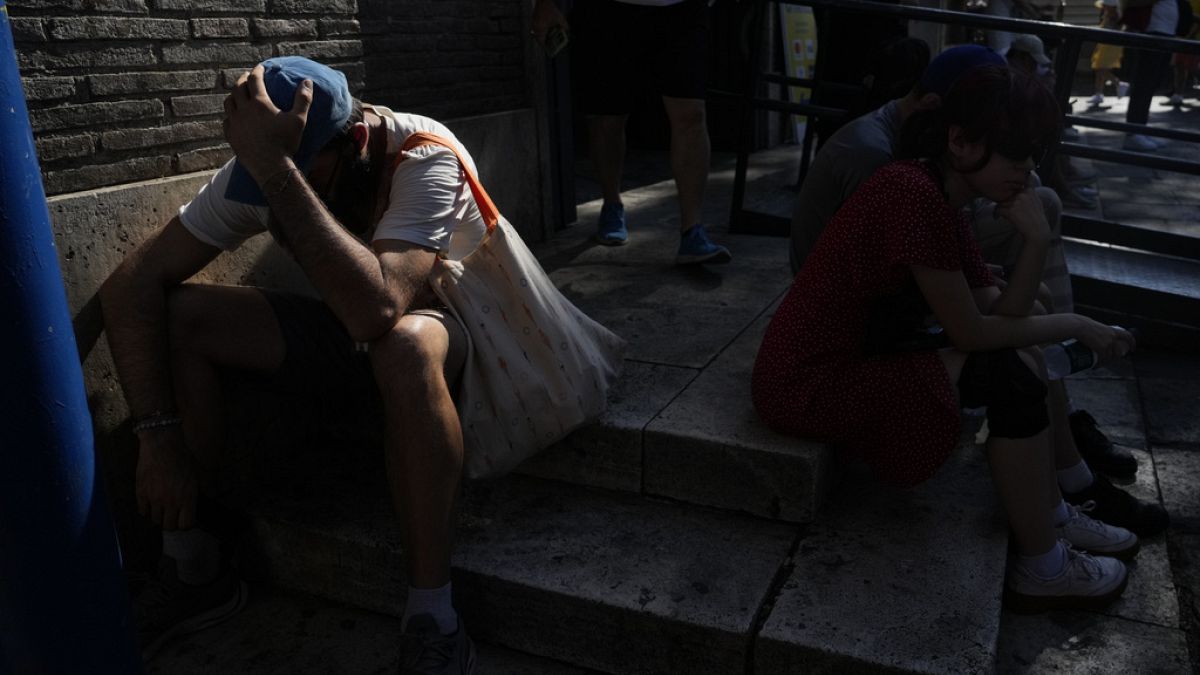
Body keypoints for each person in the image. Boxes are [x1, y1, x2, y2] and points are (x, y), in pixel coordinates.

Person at [100, 57, 498, 673]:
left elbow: (379, 310)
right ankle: (195, 565)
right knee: (179, 314)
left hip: (450, 344)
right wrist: (157, 435)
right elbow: (132, 287)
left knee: (405, 344)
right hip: (349, 343)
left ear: (355, 142)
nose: (270, 189)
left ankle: (433, 615)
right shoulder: (267, 170)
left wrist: (278, 171)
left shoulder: (424, 156)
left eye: (294, 168)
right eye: (262, 169)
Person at [756, 66, 1140, 610]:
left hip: (863, 357)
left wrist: (1034, 240)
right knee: (1007, 374)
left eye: (1034, 152)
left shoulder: (940, 195)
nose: (1028, 168)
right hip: (809, 381)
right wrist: (1079, 325)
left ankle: (1053, 514)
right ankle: (1044, 565)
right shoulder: (909, 193)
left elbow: (1006, 314)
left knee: (1020, 353)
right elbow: (974, 332)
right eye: (1015, 153)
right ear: (960, 141)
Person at [530, 0, 732, 264]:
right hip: (610, 8)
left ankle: (692, 230)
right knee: (608, 118)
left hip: (683, 8)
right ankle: (612, 204)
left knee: (692, 114)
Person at [1120, 0, 1179, 151]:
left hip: (1165, 32)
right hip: (1152, 31)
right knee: (1144, 84)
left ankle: (1141, 129)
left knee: (1151, 85)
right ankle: (1133, 133)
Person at [1088, 0, 1127, 108]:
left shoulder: (1116, 18)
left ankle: (1118, 83)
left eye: (1106, 6)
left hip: (1111, 46)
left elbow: (1111, 30)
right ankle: (1099, 93)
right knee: (1098, 68)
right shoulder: (1107, 16)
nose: (1104, 7)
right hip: (1104, 44)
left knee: (1102, 68)